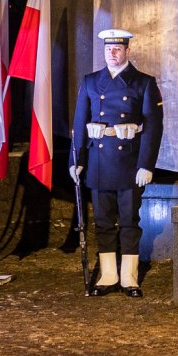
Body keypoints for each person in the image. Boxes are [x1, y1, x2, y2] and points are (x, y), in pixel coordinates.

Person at [69, 28, 163, 297]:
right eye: (108, 49)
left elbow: (153, 128)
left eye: (117, 49)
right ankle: (108, 275)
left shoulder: (143, 83)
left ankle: (129, 277)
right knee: (103, 221)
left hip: (129, 164)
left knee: (130, 221)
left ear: (127, 51)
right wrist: (76, 161)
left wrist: (146, 164)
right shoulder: (90, 82)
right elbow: (79, 124)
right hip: (99, 161)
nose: (112, 53)